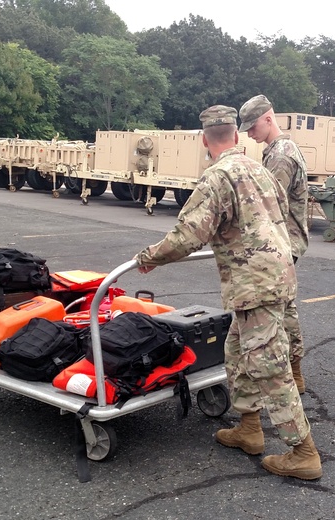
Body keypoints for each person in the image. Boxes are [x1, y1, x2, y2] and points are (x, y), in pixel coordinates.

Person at [135, 105, 322, 480]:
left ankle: (303, 451)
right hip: (273, 276)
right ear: (236, 136)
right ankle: (249, 429)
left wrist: (150, 258)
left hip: (256, 285)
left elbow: (188, 235)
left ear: (205, 141)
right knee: (236, 353)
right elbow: (284, 217)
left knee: (270, 367)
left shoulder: (217, 176)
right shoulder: (260, 169)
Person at [238, 94, 311, 394]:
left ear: (268, 118)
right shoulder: (279, 149)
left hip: (280, 243)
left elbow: (270, 205)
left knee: (269, 311)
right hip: (284, 242)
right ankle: (294, 370)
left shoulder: (281, 155)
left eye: (253, 126)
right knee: (285, 307)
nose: (250, 133)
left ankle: (281, 373)